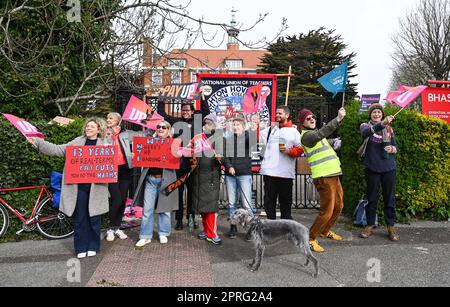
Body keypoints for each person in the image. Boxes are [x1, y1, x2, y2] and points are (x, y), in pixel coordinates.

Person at [27, 118, 109, 259]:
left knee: (94, 219)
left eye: (92, 126)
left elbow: (114, 164)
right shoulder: (77, 142)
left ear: (99, 129)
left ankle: (93, 246)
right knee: (80, 218)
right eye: (87, 126)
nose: (88, 128)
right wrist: (38, 142)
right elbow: (57, 149)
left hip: (96, 188)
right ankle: (80, 247)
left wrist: (109, 153)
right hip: (79, 189)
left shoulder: (105, 144)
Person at [158, 89, 210, 230]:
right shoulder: (176, 122)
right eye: (183, 110)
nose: (185, 111)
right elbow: (162, 114)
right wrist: (162, 97)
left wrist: (203, 96)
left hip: (194, 163)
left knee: (193, 193)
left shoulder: (197, 121)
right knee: (179, 193)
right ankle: (179, 219)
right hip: (180, 164)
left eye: (188, 109)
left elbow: (206, 111)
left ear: (192, 111)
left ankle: (192, 218)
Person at [298, 108, 346, 253]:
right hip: (323, 177)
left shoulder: (316, 136)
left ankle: (325, 231)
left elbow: (326, 140)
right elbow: (321, 134)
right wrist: (337, 119)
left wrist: (338, 141)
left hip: (334, 174)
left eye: (313, 117)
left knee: (339, 206)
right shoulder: (306, 137)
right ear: (302, 123)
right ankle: (310, 239)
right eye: (308, 118)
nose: (312, 119)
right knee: (327, 211)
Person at [133, 121, 179, 247]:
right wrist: (136, 155)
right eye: (158, 127)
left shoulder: (173, 143)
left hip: (166, 179)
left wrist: (180, 152)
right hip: (150, 179)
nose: (160, 128)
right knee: (147, 209)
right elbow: (139, 153)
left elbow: (178, 158)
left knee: (164, 208)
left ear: (168, 130)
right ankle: (145, 236)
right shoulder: (148, 141)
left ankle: (163, 233)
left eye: (164, 127)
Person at [359, 103, 399, 241]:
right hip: (372, 168)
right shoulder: (365, 126)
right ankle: (369, 225)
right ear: (370, 115)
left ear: (382, 114)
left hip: (389, 168)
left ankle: (391, 226)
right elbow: (366, 133)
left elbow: (395, 146)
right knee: (372, 198)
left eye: (379, 112)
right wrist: (382, 123)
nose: (376, 114)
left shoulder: (389, 129)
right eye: (374, 112)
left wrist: (392, 149)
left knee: (389, 198)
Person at [260, 106, 304, 220]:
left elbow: (301, 149)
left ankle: (285, 228)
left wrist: (289, 151)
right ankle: (271, 226)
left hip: (285, 173)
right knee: (269, 203)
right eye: (276, 113)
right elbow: (257, 137)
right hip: (269, 172)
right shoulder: (271, 129)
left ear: (287, 115)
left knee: (285, 203)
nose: (277, 115)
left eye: (280, 113)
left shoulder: (294, 131)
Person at [191, 114, 224, 245]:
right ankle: (206, 230)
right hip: (199, 176)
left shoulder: (219, 138)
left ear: (215, 125)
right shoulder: (199, 138)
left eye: (209, 123)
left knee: (210, 207)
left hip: (211, 177)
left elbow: (225, 157)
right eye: (205, 123)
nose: (206, 125)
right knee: (203, 206)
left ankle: (212, 233)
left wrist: (220, 158)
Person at [104, 112, 136, 242]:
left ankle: (117, 227)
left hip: (125, 169)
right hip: (111, 169)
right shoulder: (104, 132)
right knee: (116, 199)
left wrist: (134, 152)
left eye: (111, 118)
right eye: (107, 118)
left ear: (118, 121)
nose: (108, 120)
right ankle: (111, 228)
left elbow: (143, 138)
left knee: (122, 199)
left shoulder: (126, 133)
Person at [224, 114, 256, 239]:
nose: (235, 126)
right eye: (234, 124)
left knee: (246, 204)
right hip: (230, 175)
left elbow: (252, 142)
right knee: (232, 203)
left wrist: (251, 128)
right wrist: (229, 167)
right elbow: (225, 156)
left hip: (244, 174)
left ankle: (251, 229)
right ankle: (233, 226)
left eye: (238, 124)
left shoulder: (248, 137)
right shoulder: (228, 139)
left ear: (243, 127)